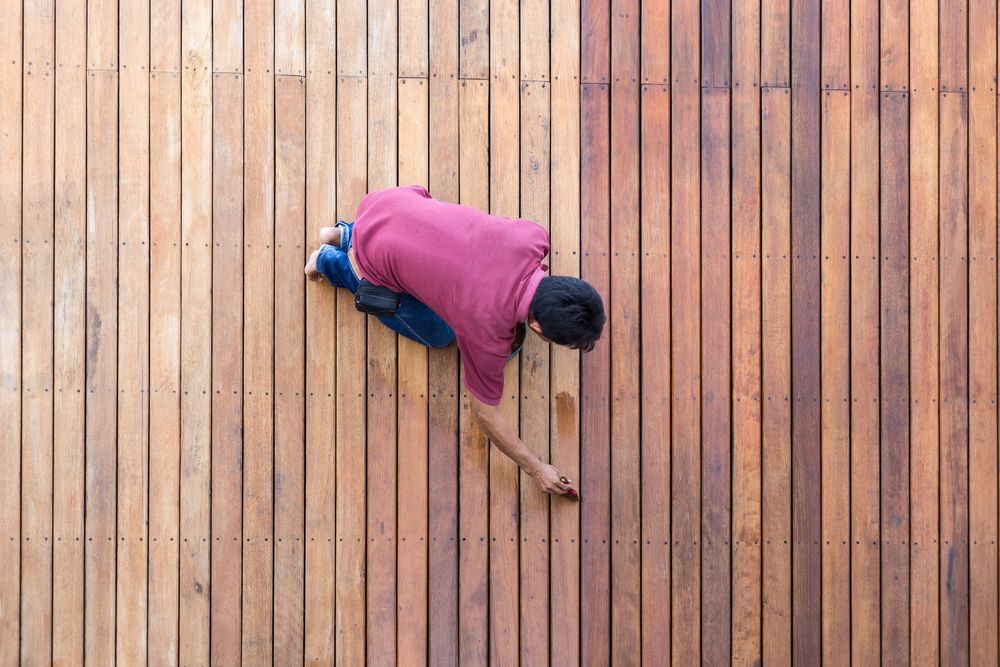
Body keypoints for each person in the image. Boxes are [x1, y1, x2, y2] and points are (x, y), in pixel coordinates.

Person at [304, 185, 605, 495]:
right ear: (538, 328)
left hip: (391, 201)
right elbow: (484, 414)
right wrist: (536, 468)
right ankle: (329, 261)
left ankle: (343, 233)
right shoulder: (488, 331)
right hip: (373, 260)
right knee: (439, 335)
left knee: (418, 241)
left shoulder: (535, 237)